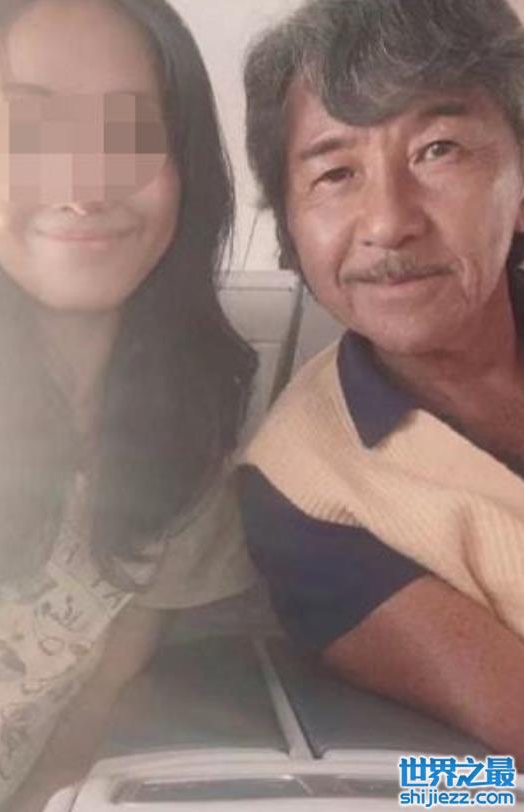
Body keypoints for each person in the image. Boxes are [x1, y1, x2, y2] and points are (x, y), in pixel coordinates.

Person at [0, 0, 258, 809]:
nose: (84, 185)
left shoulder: (193, 440)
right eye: (26, 131)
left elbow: (79, 728)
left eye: (131, 132)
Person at [239, 0, 524, 766]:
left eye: (438, 150)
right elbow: (479, 771)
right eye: (334, 172)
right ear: (290, 227)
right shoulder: (303, 493)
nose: (388, 221)